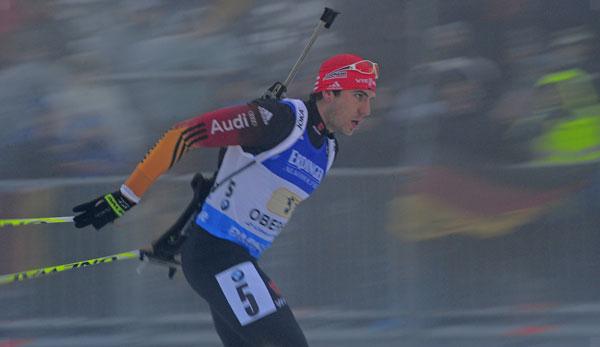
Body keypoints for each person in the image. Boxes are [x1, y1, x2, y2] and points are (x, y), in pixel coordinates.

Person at [71, 53, 378, 346]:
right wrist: (125, 197)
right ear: (329, 92)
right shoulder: (278, 120)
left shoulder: (328, 150)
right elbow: (181, 135)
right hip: (216, 256)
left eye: (369, 99)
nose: (366, 110)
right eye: (359, 96)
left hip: (235, 258)